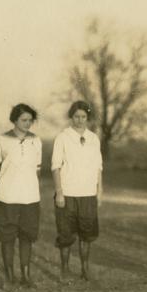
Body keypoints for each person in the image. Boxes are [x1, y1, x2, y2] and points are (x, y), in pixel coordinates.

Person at [0, 104, 42, 288]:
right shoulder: (1, 140)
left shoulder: (36, 140)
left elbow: (37, 170)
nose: (28, 124)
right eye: (24, 120)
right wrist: (5, 186)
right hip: (7, 198)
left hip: (30, 198)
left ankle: (25, 275)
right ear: (14, 120)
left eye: (30, 120)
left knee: (27, 236)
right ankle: (10, 275)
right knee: (7, 237)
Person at [51, 101, 103, 281]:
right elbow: (55, 167)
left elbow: (98, 167)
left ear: (88, 118)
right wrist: (59, 192)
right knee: (65, 233)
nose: (80, 120)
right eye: (76, 117)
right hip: (68, 194)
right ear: (71, 117)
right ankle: (65, 270)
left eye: (83, 117)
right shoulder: (63, 137)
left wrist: (99, 191)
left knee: (87, 234)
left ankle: (84, 269)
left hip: (88, 194)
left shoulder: (94, 138)